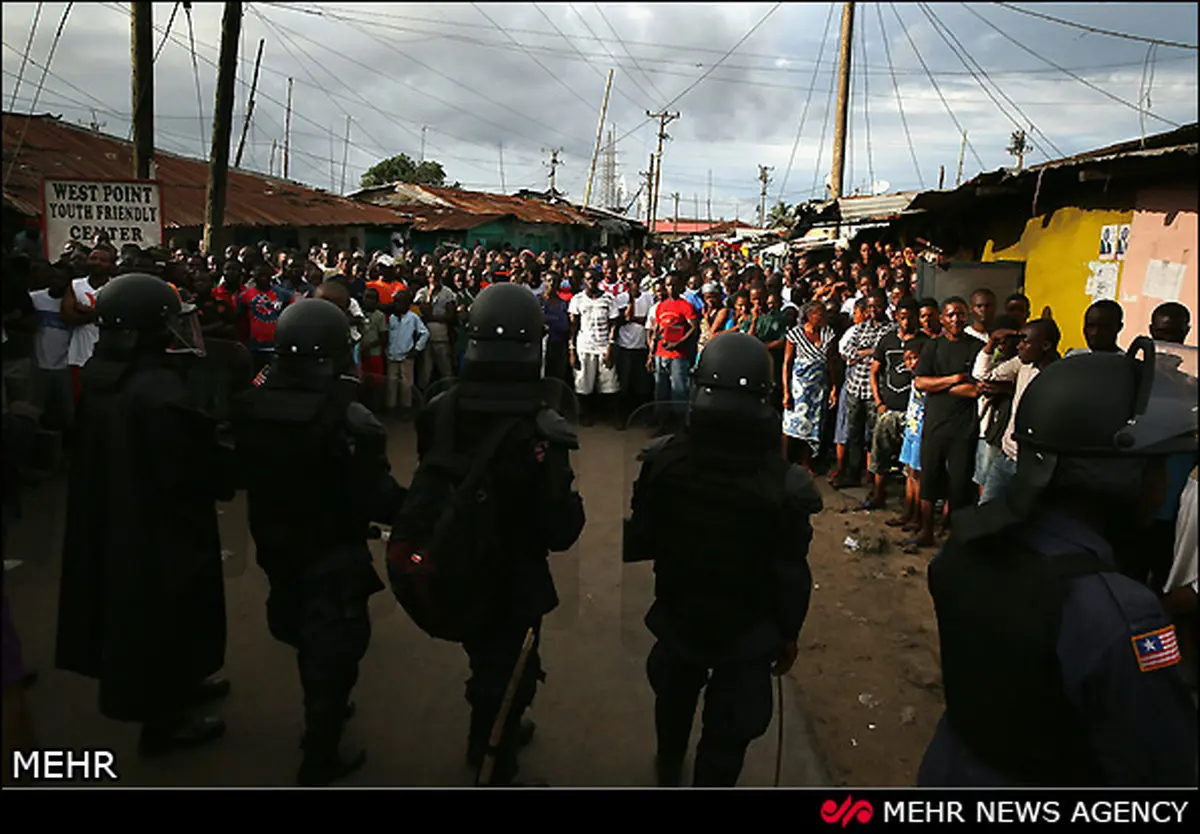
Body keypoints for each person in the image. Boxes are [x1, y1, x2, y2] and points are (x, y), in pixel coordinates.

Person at [918, 338, 1198, 786]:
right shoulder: (1122, 612)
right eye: (1155, 466)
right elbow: (1163, 765)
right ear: (1112, 474)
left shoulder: (969, 543)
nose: (1164, 485)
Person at [400, 283, 585, 786]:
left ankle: (487, 731)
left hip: (457, 554)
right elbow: (561, 529)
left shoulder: (442, 406)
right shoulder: (541, 424)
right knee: (509, 667)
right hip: (515, 569)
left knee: (485, 653)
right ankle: (493, 762)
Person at [625, 332, 819, 787]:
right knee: (728, 733)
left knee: (672, 700)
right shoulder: (785, 483)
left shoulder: (663, 461)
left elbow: (643, 536)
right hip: (748, 629)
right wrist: (789, 632)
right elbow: (791, 572)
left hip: (679, 612)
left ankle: (669, 762)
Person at [55, 273, 234, 756]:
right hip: (158, 526)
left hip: (121, 516)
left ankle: (184, 683)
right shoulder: (157, 390)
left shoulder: (104, 375)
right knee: (162, 616)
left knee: (171, 611)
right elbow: (196, 466)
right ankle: (164, 722)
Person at [232, 299, 403, 786]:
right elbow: (376, 495)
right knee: (335, 648)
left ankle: (324, 716)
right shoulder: (342, 415)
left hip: (273, 544)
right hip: (332, 550)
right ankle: (320, 755)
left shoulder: (250, 404)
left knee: (301, 629)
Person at [910, 297, 982, 548]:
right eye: (950, 315)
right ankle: (927, 529)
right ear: (942, 318)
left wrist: (938, 385)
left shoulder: (977, 348)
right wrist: (953, 379)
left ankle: (952, 530)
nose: (955, 320)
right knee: (929, 476)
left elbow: (975, 389)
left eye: (960, 314)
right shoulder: (933, 347)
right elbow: (920, 382)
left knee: (960, 481)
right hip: (935, 423)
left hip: (965, 425)